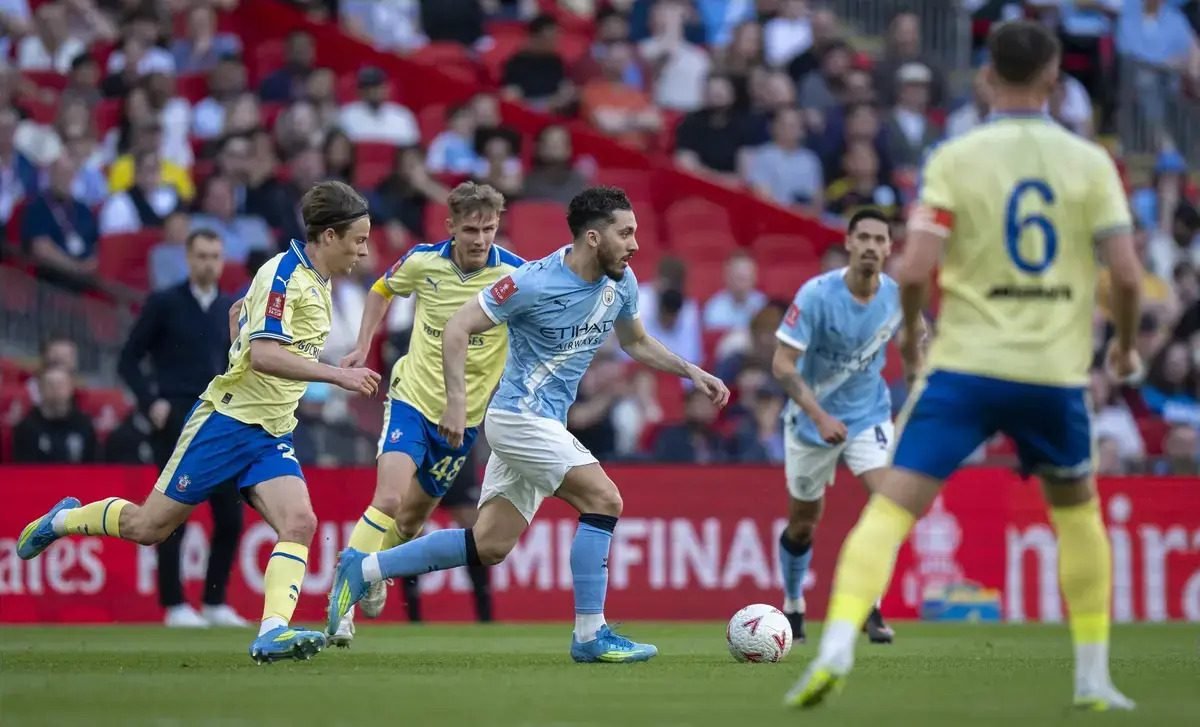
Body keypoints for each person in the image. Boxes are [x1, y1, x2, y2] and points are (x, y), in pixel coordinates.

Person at [786, 21, 1142, 711]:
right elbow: (1127, 275)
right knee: (1077, 515)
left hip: (967, 368)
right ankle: (1093, 678)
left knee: (891, 508)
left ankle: (833, 651)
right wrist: (1125, 345)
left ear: (985, 77)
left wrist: (912, 330)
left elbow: (916, 265)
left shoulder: (955, 155)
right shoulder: (1090, 162)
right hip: (1052, 371)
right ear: (1054, 79)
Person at [326, 187, 730, 663]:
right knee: (604, 500)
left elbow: (636, 341)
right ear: (593, 237)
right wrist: (457, 403)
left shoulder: (621, 281)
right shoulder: (531, 282)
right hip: (518, 417)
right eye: (625, 233)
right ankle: (590, 635)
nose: (635, 244)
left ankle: (364, 569)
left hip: (543, 422)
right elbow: (458, 327)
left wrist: (691, 371)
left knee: (489, 544)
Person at [17, 181, 382, 664]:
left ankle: (272, 631)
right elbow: (265, 354)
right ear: (330, 236)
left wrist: (241, 324)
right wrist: (337, 374)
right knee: (149, 526)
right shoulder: (285, 274)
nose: (364, 250)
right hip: (226, 422)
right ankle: (63, 519)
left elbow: (248, 323)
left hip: (272, 430)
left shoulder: (316, 278)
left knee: (300, 522)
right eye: (358, 239)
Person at [329, 182, 522, 646]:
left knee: (410, 523)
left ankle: (374, 569)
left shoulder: (516, 276)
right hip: (412, 401)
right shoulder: (423, 261)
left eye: (489, 229)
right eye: (471, 229)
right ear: (451, 227)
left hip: (463, 423)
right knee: (389, 499)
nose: (480, 239)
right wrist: (363, 344)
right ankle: (343, 600)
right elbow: (382, 289)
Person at [771, 208, 916, 645]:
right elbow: (782, 364)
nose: (871, 246)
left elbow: (916, 346)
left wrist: (920, 396)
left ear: (889, 248)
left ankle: (869, 603)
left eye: (880, 239)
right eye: (864, 238)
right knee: (803, 522)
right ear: (849, 243)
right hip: (811, 420)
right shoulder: (817, 295)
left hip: (869, 415)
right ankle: (793, 603)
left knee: (887, 502)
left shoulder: (898, 297)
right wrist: (820, 416)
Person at [117, 229, 245, 629]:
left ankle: (214, 601)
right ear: (188, 259)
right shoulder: (164, 303)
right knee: (172, 513)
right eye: (202, 255)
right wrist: (149, 400)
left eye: (215, 256)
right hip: (175, 416)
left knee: (229, 516)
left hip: (220, 418)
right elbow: (128, 359)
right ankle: (174, 604)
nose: (209, 263)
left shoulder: (229, 308)